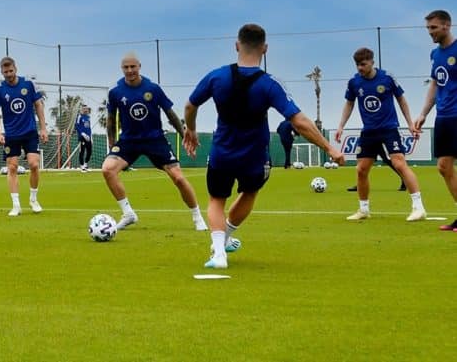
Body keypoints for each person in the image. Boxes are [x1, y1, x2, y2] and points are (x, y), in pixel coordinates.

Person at [184, 23, 344, 269]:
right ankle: (224, 239)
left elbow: (190, 106)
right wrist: (329, 148)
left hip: (222, 152)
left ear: (236, 45)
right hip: (254, 155)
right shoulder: (270, 84)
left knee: (217, 199)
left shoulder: (216, 76)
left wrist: (191, 130)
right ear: (265, 49)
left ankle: (218, 254)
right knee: (249, 193)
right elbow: (299, 122)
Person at [101, 53, 206, 231]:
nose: (130, 70)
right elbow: (111, 119)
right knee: (107, 169)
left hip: (155, 139)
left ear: (139, 66)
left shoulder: (153, 88)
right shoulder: (115, 92)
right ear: (122, 69)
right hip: (129, 140)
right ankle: (128, 214)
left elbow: (170, 114)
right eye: (126, 67)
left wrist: (184, 134)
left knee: (178, 178)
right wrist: (112, 143)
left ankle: (197, 217)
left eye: (133, 67)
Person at [334, 47, 424, 221]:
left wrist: (410, 124)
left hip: (389, 129)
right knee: (361, 170)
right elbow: (349, 104)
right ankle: (364, 209)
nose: (360, 68)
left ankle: (418, 207)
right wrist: (340, 126)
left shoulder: (387, 78)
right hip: (369, 131)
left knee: (399, 164)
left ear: (372, 62)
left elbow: (401, 100)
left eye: (363, 64)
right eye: (357, 65)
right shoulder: (354, 82)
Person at [413, 9, 457, 231]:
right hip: (444, 118)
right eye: (428, 28)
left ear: (447, 26)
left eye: (433, 28)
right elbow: (435, 84)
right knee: (443, 166)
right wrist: (423, 113)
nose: (430, 32)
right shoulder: (435, 55)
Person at [0, 57, 48, 216]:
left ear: (16, 68)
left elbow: (38, 105)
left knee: (34, 164)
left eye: (11, 71)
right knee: (12, 167)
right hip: (11, 134)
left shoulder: (28, 84)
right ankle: (16, 205)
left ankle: (33, 199)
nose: (8, 74)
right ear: (1, 72)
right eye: (5, 72)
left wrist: (43, 128)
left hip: (29, 132)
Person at [76, 104, 92, 172]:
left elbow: (89, 128)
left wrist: (91, 136)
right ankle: (82, 166)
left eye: (86, 108)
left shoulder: (88, 117)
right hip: (82, 137)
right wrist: (82, 133)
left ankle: (85, 165)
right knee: (82, 151)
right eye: (84, 108)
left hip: (88, 137)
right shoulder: (79, 116)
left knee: (89, 151)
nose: (85, 110)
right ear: (82, 109)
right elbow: (76, 126)